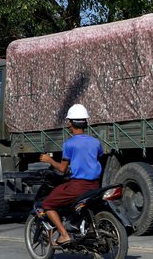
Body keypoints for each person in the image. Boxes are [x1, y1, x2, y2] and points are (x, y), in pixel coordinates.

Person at [39, 104, 103, 246]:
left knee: (48, 204)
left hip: (78, 186)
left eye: (68, 122)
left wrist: (49, 160)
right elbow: (97, 157)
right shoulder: (95, 142)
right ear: (85, 123)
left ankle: (64, 235)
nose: (67, 125)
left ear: (71, 124)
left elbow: (62, 169)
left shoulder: (69, 144)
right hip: (96, 185)